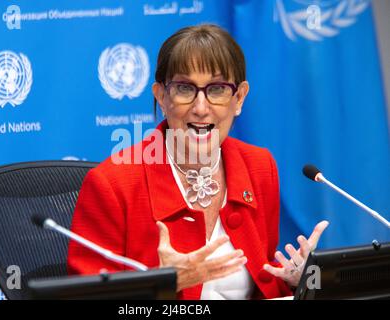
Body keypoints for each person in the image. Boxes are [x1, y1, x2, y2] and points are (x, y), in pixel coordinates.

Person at [67, 24, 329, 300]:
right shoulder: (113, 184)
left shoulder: (259, 167)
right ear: (161, 97)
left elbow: (258, 275)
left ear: (238, 98)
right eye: (184, 88)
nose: (201, 108)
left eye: (217, 89)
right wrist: (161, 286)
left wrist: (295, 281)